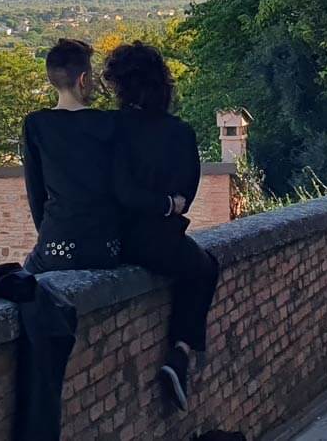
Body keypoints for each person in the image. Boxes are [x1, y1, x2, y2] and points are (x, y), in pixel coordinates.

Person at [103, 41, 220, 412]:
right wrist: (169, 205)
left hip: (113, 239)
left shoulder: (107, 129)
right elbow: (189, 192)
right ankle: (180, 352)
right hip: (160, 240)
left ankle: (180, 356)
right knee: (204, 266)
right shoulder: (180, 132)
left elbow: (113, 188)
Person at [22, 39, 122, 273]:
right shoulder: (108, 122)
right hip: (106, 247)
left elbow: (35, 192)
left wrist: (49, 235)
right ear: (83, 79)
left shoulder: (36, 124)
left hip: (57, 244)